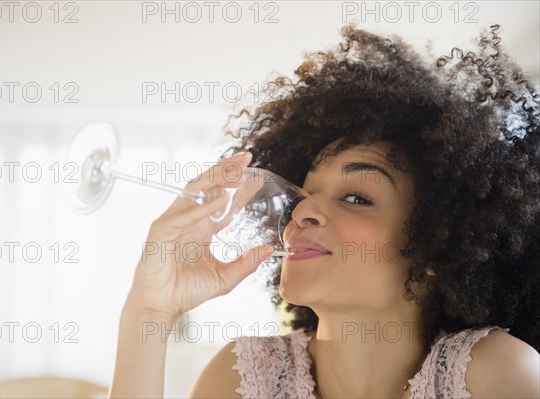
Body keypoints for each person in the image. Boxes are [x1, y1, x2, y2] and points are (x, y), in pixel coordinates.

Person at [108, 25, 540, 398]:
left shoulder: (497, 373)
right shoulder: (241, 377)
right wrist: (149, 312)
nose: (302, 212)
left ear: (435, 248)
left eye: (356, 197)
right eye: (302, 195)